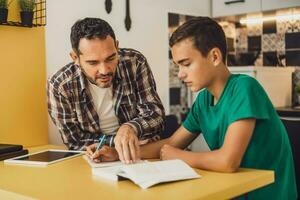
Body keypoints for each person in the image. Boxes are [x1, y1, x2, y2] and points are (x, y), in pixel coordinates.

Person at [86, 17, 297, 199]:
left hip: (269, 194)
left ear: (215, 57)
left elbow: (227, 161)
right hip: (235, 191)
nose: (180, 74)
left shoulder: (245, 88)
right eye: (178, 65)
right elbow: (170, 144)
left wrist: (179, 156)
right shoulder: (204, 100)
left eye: (186, 64)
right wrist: (117, 154)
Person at [47, 17, 165, 163]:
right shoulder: (60, 85)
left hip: (145, 154)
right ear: (75, 58)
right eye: (93, 62)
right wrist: (116, 142)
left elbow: (156, 115)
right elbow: (74, 141)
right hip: (98, 159)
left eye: (110, 58)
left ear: (116, 46)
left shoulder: (135, 63)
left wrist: (130, 128)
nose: (104, 70)